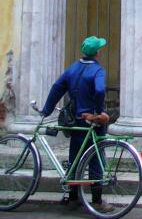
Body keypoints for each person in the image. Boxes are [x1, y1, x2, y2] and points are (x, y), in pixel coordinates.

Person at [42, 36, 115, 214]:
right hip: (93, 121)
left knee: (75, 157)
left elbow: (57, 87)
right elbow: (99, 90)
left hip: (77, 119)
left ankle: (73, 198)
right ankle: (97, 201)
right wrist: (98, 112)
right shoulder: (98, 70)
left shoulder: (72, 69)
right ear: (97, 52)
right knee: (96, 159)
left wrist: (46, 109)